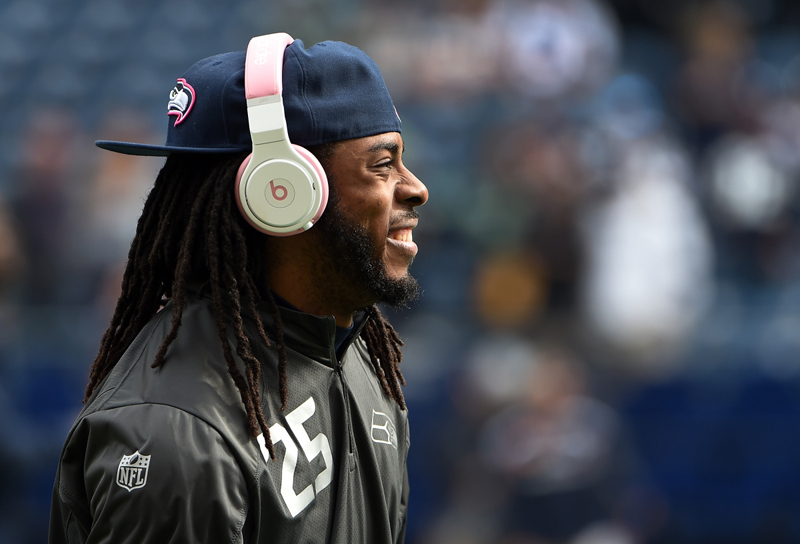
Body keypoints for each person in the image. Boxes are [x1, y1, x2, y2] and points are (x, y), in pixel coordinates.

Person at [49, 33, 428, 544]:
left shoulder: (360, 356)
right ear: (284, 194)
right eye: (382, 165)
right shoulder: (178, 439)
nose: (415, 188)